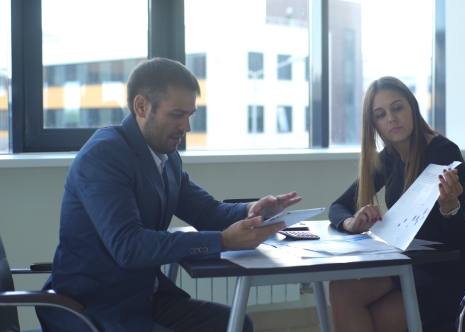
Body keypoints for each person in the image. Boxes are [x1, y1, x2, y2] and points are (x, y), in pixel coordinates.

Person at [35, 58, 302, 332]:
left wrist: (252, 211)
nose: (186, 126)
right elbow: (129, 247)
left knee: (235, 325)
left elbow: (206, 211)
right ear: (141, 106)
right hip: (95, 309)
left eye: (190, 115)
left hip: (142, 299)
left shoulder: (166, 157)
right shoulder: (104, 156)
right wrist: (223, 241)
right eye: (177, 114)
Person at [328, 76, 465, 331]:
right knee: (341, 288)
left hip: (458, 276)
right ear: (375, 126)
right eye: (381, 115)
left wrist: (450, 208)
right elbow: (338, 207)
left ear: (412, 108)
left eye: (397, 108)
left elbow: (459, 238)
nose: (391, 118)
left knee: (375, 319)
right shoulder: (389, 158)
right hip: (414, 267)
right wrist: (352, 222)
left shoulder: (443, 152)